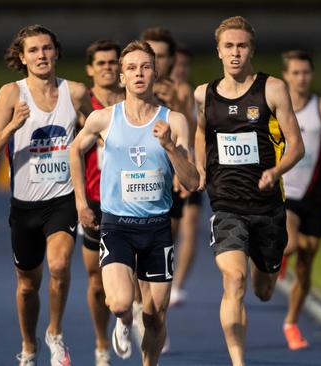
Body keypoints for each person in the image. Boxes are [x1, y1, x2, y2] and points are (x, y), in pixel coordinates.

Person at [70, 40, 199, 366]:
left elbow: (192, 181)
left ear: (155, 73)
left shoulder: (176, 121)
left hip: (158, 228)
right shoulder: (104, 119)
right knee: (121, 304)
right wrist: (81, 202)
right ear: (122, 76)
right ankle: (124, 322)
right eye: (131, 68)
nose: (138, 73)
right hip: (117, 226)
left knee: (155, 316)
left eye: (145, 67)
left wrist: (170, 147)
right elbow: (75, 150)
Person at [193, 16, 304, 366]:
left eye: (242, 46)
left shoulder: (272, 89)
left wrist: (276, 170)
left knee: (263, 289)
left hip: (268, 206)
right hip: (226, 204)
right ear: (219, 51)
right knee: (234, 279)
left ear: (251, 49)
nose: (235, 53)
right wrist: (199, 168)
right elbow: (200, 133)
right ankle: (238, 361)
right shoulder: (203, 95)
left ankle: (269, 265)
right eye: (229, 46)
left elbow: (296, 146)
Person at [0, 25, 92, 366]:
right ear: (21, 57)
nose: (41, 55)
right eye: (33, 50)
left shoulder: (75, 93)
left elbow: (95, 134)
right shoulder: (11, 94)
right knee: (28, 286)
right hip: (26, 205)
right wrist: (12, 126)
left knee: (59, 264)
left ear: (56, 52)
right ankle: (29, 346)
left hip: (63, 199)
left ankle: (55, 333)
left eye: (46, 48)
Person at [279, 50, 321, 350]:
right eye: (296, 73)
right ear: (286, 76)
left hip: (314, 193)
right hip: (285, 190)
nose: (302, 78)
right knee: (290, 243)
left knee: (306, 265)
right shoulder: (278, 106)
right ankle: (276, 254)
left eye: (306, 72)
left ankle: (291, 322)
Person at [141, 28, 201, 310]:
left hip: (175, 173)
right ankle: (138, 303)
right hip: (140, 176)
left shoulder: (181, 90)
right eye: (150, 55)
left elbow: (190, 130)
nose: (155, 62)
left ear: (171, 60)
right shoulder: (133, 86)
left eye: (161, 56)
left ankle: (158, 307)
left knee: (169, 239)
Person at [81, 39, 125, 366]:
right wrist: (79, 201)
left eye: (113, 62)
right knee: (96, 280)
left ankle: (125, 317)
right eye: (101, 63)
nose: (108, 67)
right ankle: (100, 344)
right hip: (96, 202)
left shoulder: (134, 101)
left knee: (135, 275)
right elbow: (72, 153)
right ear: (90, 69)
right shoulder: (83, 105)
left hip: (132, 202)